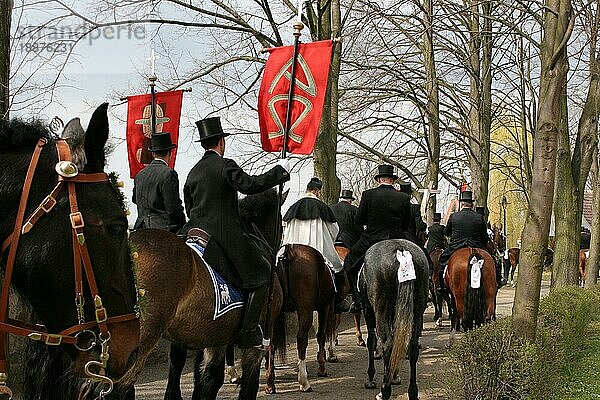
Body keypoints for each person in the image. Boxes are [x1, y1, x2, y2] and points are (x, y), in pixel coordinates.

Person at [180, 116, 290, 348]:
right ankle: (249, 331)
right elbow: (250, 185)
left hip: (193, 232)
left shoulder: (192, 172)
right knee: (262, 275)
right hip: (223, 234)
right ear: (221, 142)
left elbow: (189, 206)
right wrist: (278, 172)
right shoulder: (225, 165)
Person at [342, 164, 411, 312]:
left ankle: (357, 299)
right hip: (396, 237)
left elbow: (359, 220)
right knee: (423, 258)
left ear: (379, 179)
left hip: (372, 237)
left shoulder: (368, 194)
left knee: (349, 261)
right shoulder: (403, 197)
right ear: (392, 180)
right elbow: (406, 224)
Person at [282, 177, 342, 275]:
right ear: (318, 192)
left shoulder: (293, 207)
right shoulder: (323, 207)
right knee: (338, 269)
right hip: (318, 251)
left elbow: (286, 229)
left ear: (307, 190)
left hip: (294, 254)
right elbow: (335, 230)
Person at [132, 132, 186, 233]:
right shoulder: (169, 173)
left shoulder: (139, 175)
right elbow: (173, 208)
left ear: (153, 153)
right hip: (163, 228)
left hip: (140, 227)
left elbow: (135, 199)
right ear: (170, 152)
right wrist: (183, 224)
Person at [438, 191, 489, 282]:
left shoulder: (454, 216)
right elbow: (485, 237)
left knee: (442, 261)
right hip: (476, 245)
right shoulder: (479, 217)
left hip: (456, 246)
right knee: (492, 261)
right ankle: (497, 281)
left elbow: (446, 232)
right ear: (472, 204)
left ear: (462, 204)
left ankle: (440, 285)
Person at [329, 189, 364, 312]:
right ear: (350, 200)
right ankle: (356, 298)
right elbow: (359, 231)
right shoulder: (355, 210)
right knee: (357, 269)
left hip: (332, 244)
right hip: (349, 244)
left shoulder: (331, 208)